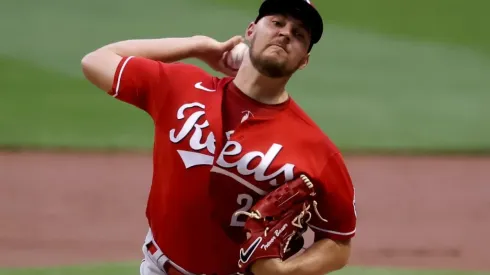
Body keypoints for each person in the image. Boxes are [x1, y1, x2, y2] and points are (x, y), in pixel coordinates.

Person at [81, 0, 357, 274]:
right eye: (277, 23)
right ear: (251, 31)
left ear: (304, 61)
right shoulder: (182, 87)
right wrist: (197, 46)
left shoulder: (317, 149)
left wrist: (287, 272)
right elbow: (96, 61)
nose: (285, 33)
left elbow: (338, 241)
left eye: (299, 34)